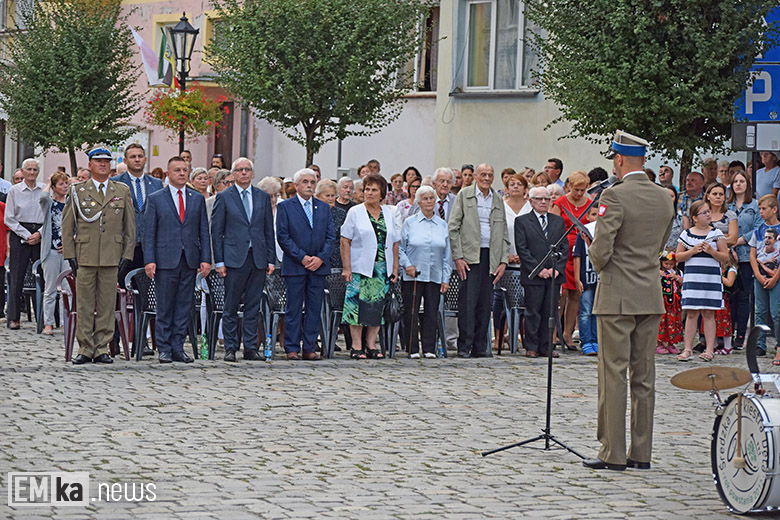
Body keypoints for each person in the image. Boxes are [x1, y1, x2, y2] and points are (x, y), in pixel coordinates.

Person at [585, 130, 674, 471]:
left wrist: (595, 254)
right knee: (644, 377)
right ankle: (641, 452)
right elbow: (660, 243)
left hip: (617, 295)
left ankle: (613, 452)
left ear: (619, 159)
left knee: (613, 375)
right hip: (649, 294)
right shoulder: (664, 197)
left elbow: (602, 248)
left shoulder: (615, 195)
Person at [62, 147, 135, 364]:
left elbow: (129, 226)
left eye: (106, 161)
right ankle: (85, 348)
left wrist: (127, 254)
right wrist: (70, 255)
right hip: (85, 254)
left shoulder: (121, 191)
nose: (103, 164)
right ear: (90, 164)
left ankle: (102, 347)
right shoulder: (77, 191)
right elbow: (68, 226)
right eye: (98, 161)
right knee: (84, 303)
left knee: (106, 304)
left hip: (112, 255)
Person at [143, 156, 211, 363]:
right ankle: (163, 347)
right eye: (177, 170)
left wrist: (205, 259)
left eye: (184, 170)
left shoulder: (196, 198)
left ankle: (178, 347)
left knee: (184, 305)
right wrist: (149, 259)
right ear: (168, 174)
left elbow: (203, 231)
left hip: (189, 259)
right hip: (165, 259)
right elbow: (149, 232)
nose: (182, 173)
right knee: (165, 305)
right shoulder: (156, 198)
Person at [212, 158, 276, 362]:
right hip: (233, 258)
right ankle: (231, 347)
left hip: (257, 257)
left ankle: (250, 347)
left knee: (253, 305)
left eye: (247, 169)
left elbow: (268, 230)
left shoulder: (262, 197)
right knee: (230, 305)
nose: (244, 173)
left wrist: (270, 259)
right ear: (233, 174)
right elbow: (217, 231)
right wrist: (219, 261)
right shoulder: (224, 197)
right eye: (240, 170)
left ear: (253, 173)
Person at [448, 163, 510, 358]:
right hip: (469, 256)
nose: (486, 178)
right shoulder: (464, 196)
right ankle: (464, 346)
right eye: (483, 174)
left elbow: (505, 233)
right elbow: (453, 227)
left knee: (486, 303)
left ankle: (480, 346)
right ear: (475, 176)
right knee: (468, 302)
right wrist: (457, 256)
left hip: (491, 256)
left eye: (490, 175)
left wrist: (503, 261)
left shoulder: (498, 199)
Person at [276, 168, 336, 361]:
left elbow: (330, 237)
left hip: (318, 267)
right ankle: (291, 347)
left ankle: (309, 347)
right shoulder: (286, 207)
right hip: (295, 266)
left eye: (312, 182)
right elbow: (283, 236)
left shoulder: (323, 207)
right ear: (296, 185)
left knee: (314, 307)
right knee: (293, 308)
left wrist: (319, 258)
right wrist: (302, 257)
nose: (309, 185)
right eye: (305, 182)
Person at [340, 173, 399, 359]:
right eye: (367, 189)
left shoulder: (389, 213)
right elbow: (344, 240)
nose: (369, 193)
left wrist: (395, 268)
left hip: (382, 268)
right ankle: (356, 346)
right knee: (356, 306)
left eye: (374, 190)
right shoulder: (355, 212)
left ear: (382, 193)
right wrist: (347, 268)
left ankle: (372, 345)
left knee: (377, 307)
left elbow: (395, 242)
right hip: (360, 267)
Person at [398, 185, 452, 358]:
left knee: (431, 311)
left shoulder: (442, 225)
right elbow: (399, 248)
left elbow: (447, 255)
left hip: (434, 274)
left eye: (432, 198)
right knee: (411, 311)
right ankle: (412, 348)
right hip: (413, 275)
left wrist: (446, 278)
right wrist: (407, 265)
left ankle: (429, 348)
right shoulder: (410, 223)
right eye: (425, 198)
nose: (429, 202)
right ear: (418, 202)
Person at [514, 186, 568, 358]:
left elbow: (564, 247)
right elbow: (522, 249)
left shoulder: (557, 221)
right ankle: (531, 346)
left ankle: (546, 346)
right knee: (533, 311)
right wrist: (539, 269)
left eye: (546, 199)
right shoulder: (522, 221)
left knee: (550, 311)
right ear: (531, 201)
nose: (543, 202)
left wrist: (556, 269)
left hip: (553, 276)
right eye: (539, 199)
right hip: (533, 275)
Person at [676, 200, 730, 362]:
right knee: (692, 313)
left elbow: (725, 257)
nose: (708, 214)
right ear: (695, 217)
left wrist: (712, 251)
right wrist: (692, 251)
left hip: (710, 280)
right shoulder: (686, 234)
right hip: (692, 279)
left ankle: (709, 349)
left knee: (708, 313)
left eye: (708, 211)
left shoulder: (716, 233)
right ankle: (687, 349)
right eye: (704, 212)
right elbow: (678, 257)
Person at [111, 144, 164, 286]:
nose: (137, 159)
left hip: (149, 247)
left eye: (140, 156)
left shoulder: (157, 184)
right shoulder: (115, 183)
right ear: (125, 160)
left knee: (146, 293)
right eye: (133, 157)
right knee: (120, 291)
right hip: (123, 247)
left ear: (145, 159)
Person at [550, 171, 592, 347]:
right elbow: (552, 226)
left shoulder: (589, 204)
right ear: (568, 187)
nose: (579, 194)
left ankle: (567, 333)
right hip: (563, 251)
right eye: (576, 190)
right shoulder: (560, 203)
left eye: (583, 190)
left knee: (575, 292)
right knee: (561, 293)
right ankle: (553, 334)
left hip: (580, 251)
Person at [4, 158, 44, 330]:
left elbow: (50, 215)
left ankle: (43, 317)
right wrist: (27, 235)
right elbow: (9, 218)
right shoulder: (15, 190)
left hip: (40, 231)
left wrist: (39, 234)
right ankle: (14, 317)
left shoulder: (44, 190)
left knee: (43, 276)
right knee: (16, 276)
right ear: (23, 170)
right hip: (20, 232)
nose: (32, 173)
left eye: (35, 170)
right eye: (29, 169)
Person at [492, 173, 528, 350]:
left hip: (526, 263)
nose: (515, 187)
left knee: (524, 300)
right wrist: (505, 256)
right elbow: (497, 235)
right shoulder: (502, 208)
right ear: (506, 188)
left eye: (519, 184)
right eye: (511, 184)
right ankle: (499, 336)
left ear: (525, 188)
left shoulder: (530, 208)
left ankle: (523, 336)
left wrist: (524, 255)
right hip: (506, 262)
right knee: (500, 299)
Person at [728, 171, 760, 350]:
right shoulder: (727, 206)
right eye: (735, 181)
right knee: (730, 296)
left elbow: (757, 229)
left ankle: (740, 335)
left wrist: (737, 241)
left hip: (747, 255)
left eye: (742, 181)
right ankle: (728, 333)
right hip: (729, 256)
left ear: (747, 184)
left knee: (743, 296)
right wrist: (729, 244)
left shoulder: (754, 205)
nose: (738, 184)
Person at [38, 172, 70, 335]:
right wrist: (49, 184)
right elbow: (43, 197)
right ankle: (48, 322)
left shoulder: (71, 204)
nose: (65, 186)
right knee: (50, 287)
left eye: (66, 183)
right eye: (61, 184)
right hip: (51, 249)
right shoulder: (50, 203)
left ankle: (66, 322)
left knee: (67, 289)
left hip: (67, 250)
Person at [750, 194, 780, 360]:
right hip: (760, 277)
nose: (761, 212)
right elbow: (753, 254)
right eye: (759, 209)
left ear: (774, 209)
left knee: (776, 312)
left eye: (764, 209)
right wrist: (757, 274)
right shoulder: (758, 230)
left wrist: (775, 277)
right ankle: (759, 344)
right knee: (760, 311)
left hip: (777, 276)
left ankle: (778, 346)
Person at [573, 203, 599, 356]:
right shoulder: (582, 234)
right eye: (593, 214)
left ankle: (595, 340)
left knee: (596, 312)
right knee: (585, 312)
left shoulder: (603, 234)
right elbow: (577, 257)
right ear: (588, 216)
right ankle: (586, 341)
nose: (596, 218)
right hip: (586, 279)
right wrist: (577, 279)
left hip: (599, 280)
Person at [656, 251, 682, 355]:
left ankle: (671, 343)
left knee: (673, 321)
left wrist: (677, 278)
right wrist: (658, 275)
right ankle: (659, 343)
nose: (668, 266)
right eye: (666, 264)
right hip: (663, 301)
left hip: (674, 302)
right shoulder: (658, 271)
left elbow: (683, 282)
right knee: (662, 321)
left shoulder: (677, 272)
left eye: (671, 264)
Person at [715, 250, 738, 355]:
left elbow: (729, 282)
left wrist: (718, 275)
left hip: (724, 298)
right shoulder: (717, 267)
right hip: (714, 296)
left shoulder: (731, 269)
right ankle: (713, 345)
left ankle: (728, 346)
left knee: (724, 320)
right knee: (712, 320)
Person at [663, 186, 683, 252]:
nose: (668, 198)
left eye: (671, 196)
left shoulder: (681, 217)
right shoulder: (653, 217)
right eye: (666, 195)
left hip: (675, 254)